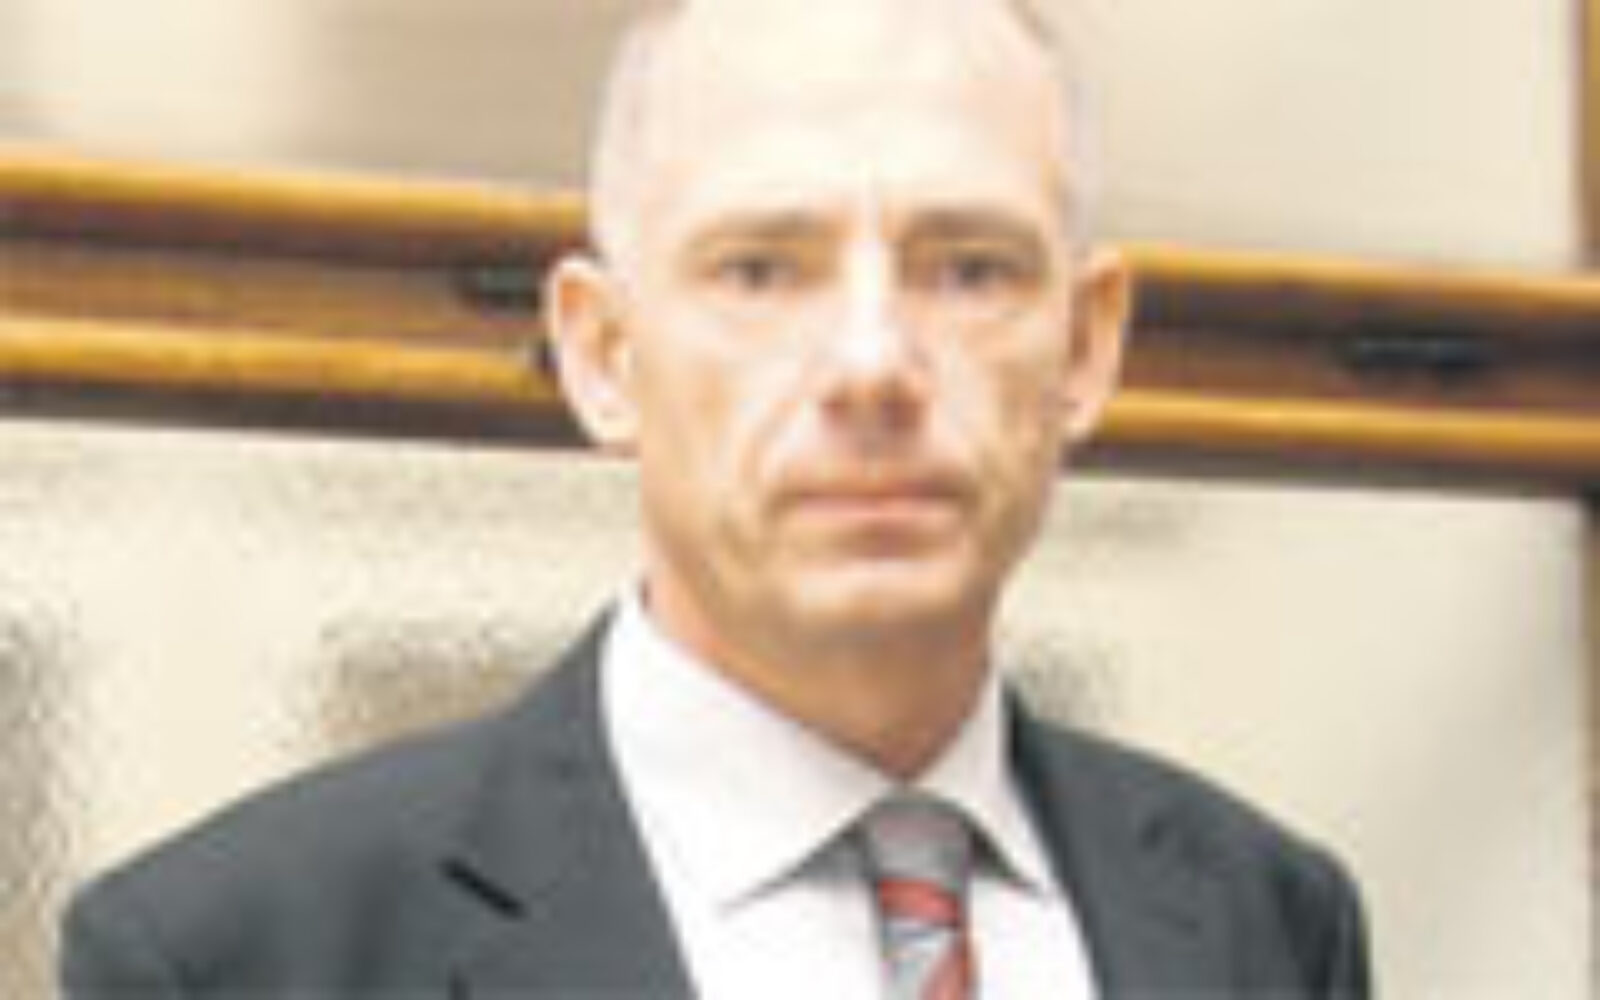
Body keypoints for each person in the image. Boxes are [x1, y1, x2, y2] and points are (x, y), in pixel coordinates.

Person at [60, 0, 1371, 996]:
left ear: (1085, 346)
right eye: (760, 271)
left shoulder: (1268, 921)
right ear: (602, 353)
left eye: (971, 269)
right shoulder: (243, 956)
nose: (872, 363)